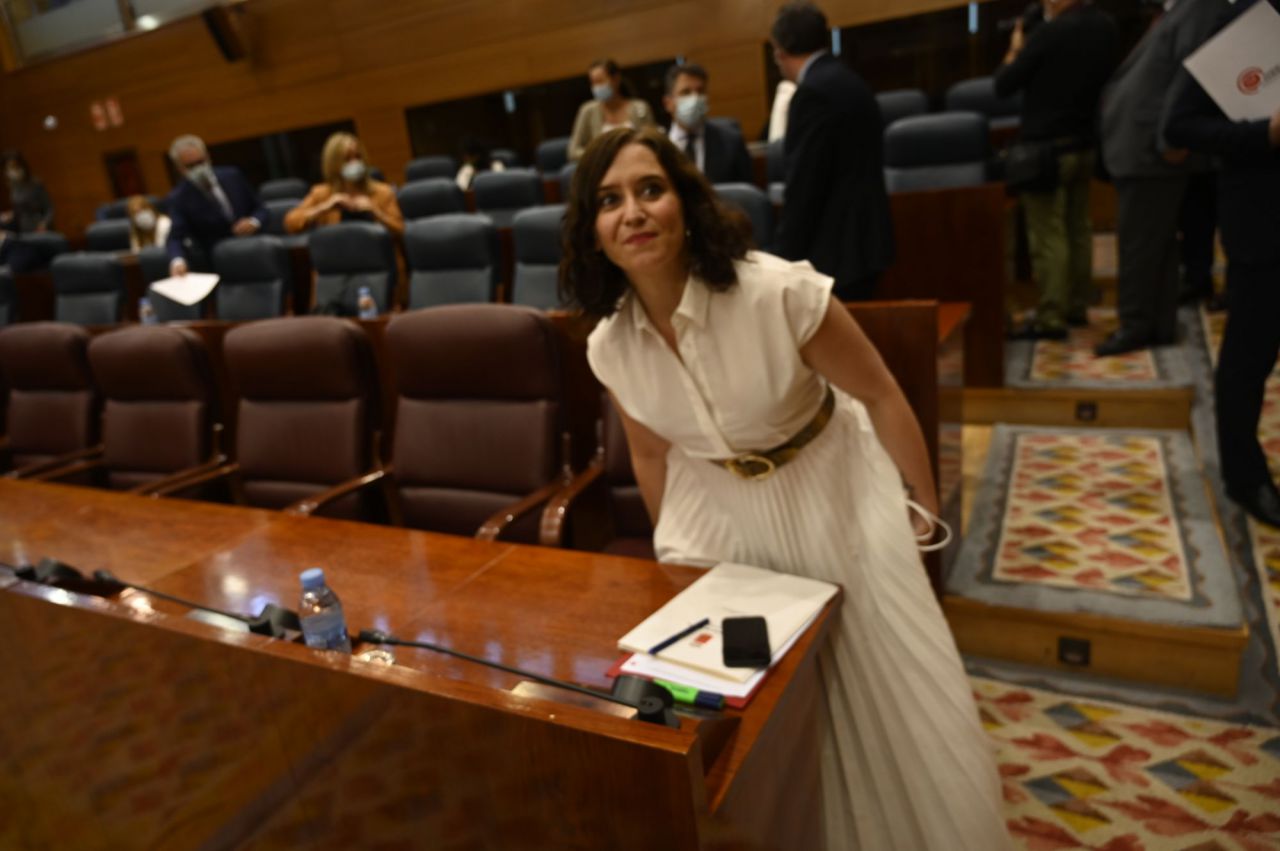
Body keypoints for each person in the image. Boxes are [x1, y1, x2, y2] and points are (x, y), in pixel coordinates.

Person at [562, 126, 1012, 851]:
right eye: (609, 201)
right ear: (594, 233)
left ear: (686, 201)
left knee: (878, 682)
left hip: (829, 484)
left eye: (651, 189)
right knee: (754, 709)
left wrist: (920, 520)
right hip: (715, 506)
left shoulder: (777, 291)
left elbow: (886, 395)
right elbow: (649, 452)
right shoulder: (607, 345)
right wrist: (674, 565)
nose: (634, 212)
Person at [1164, 0, 1280, 528]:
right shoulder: (1236, 27)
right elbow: (1180, 125)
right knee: (1249, 355)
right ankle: (1244, 475)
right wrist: (1263, 134)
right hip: (1264, 221)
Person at [1094, 0, 1221, 356]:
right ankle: (1157, 325)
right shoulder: (1175, 9)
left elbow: (1189, 74)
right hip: (1141, 145)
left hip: (1153, 148)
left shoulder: (1198, 8)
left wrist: (1172, 137)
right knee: (1158, 245)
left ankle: (1135, 326)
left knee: (1139, 245)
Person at [995, 0, 1119, 340]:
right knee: (1079, 228)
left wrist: (1015, 48)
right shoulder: (1105, 27)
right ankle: (1077, 305)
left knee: (1048, 235)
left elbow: (1003, 84)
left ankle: (1051, 315)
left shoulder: (1049, 33)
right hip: (1085, 143)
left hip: (1046, 150)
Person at [770, 2, 894, 301]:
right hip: (867, 241)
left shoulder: (812, 94)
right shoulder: (850, 80)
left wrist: (780, 261)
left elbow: (805, 185)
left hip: (837, 250)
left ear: (780, 51)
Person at [164, 135, 267, 276]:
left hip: (253, 247)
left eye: (200, 162)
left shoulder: (233, 175)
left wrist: (254, 221)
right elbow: (175, 237)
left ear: (208, 157)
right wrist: (177, 260)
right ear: (180, 168)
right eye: (190, 166)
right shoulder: (178, 197)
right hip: (218, 263)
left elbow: (261, 208)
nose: (198, 168)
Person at [285, 132, 404, 237]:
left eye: (358, 156)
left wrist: (376, 212)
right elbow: (290, 224)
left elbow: (401, 230)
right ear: (334, 164)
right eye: (347, 159)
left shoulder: (383, 191)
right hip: (338, 258)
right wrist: (324, 207)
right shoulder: (321, 194)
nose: (355, 162)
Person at [662, 62, 753, 184]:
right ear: (668, 103)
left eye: (700, 92)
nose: (695, 99)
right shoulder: (658, 148)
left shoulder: (731, 142)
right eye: (686, 92)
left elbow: (746, 195)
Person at [567, 58, 657, 162]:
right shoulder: (587, 111)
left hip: (637, 161)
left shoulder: (640, 107)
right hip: (601, 166)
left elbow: (654, 142)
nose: (597, 87)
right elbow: (573, 152)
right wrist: (600, 155)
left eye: (600, 81)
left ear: (616, 79)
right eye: (593, 83)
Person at [1, 150, 54, 234]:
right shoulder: (13, 186)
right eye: (8, 168)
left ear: (22, 166)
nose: (12, 171)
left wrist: (44, 224)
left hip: (39, 229)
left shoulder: (35, 183)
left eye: (14, 166)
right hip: (24, 230)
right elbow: (20, 210)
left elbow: (49, 208)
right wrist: (10, 215)